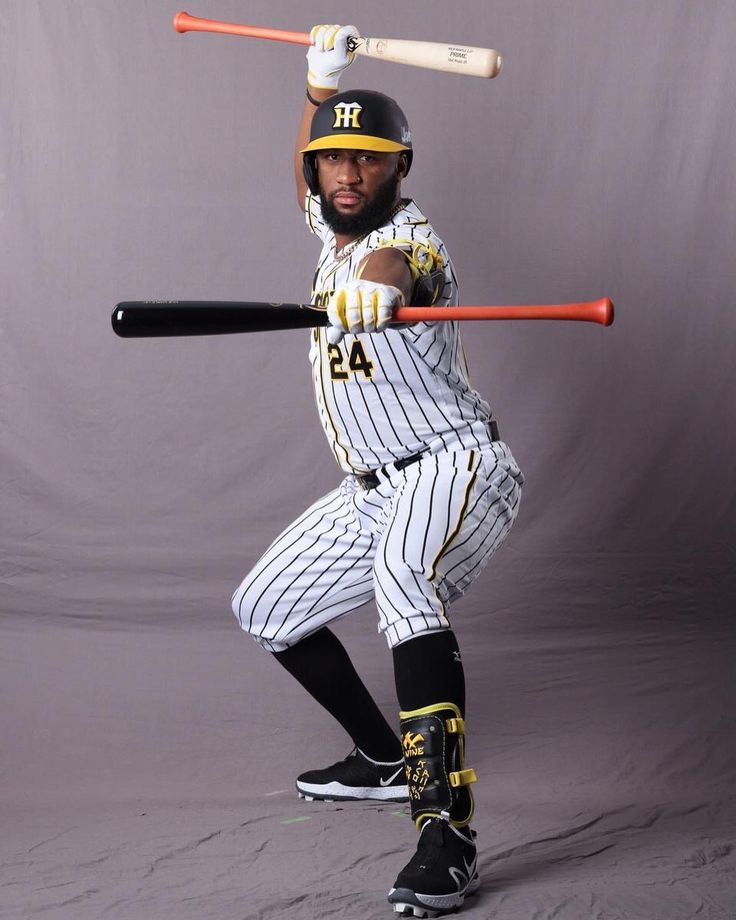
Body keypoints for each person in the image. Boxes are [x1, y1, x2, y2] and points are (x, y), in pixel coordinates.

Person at [230, 24, 524, 918]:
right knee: (266, 606)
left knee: (403, 580)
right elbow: (307, 183)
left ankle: (448, 835)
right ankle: (385, 760)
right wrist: (318, 86)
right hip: (371, 488)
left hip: (455, 465)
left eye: (367, 160)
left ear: (402, 167)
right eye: (334, 160)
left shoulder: (412, 239)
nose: (346, 174)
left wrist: (383, 289)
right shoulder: (331, 227)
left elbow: (405, 270)